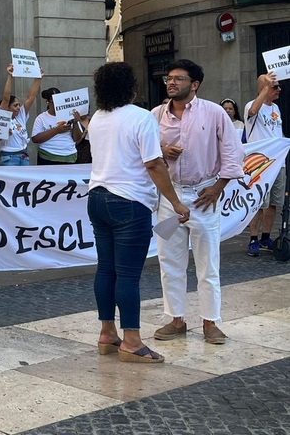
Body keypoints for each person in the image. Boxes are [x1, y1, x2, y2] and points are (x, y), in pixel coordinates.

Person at [88, 62, 190, 363]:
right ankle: (131, 341)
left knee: (106, 269)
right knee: (128, 275)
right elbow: (154, 164)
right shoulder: (141, 117)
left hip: (97, 197)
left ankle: (107, 333)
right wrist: (176, 203)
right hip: (130, 202)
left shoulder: (97, 118)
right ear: (130, 87)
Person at [152, 59, 245, 345]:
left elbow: (233, 152)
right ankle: (175, 319)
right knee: (169, 261)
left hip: (203, 195)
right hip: (169, 197)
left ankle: (210, 322)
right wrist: (162, 149)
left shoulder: (214, 113)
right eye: (169, 78)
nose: (171, 82)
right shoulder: (156, 115)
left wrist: (218, 187)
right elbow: (143, 151)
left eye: (178, 78)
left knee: (208, 263)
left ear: (195, 84)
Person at [243, 72, 285, 256]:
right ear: (263, 88)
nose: (279, 89)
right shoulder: (251, 106)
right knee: (258, 202)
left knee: (274, 202)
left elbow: (277, 132)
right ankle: (253, 238)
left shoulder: (276, 108)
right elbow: (253, 112)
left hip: (278, 162)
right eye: (275, 87)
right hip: (260, 163)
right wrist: (266, 87)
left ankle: (266, 237)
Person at [0, 64, 42, 166]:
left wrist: (38, 79)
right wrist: (9, 76)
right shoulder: (3, 116)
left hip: (24, 155)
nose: (18, 107)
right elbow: (6, 98)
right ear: (7, 107)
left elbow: (31, 98)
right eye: (15, 105)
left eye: (19, 105)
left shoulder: (20, 116)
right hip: (9, 157)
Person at [31, 87, 81, 164]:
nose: (56, 104)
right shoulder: (41, 118)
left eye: (59, 101)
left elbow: (77, 138)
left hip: (69, 155)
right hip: (48, 155)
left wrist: (75, 123)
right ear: (47, 102)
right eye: (53, 102)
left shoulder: (70, 115)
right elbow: (35, 139)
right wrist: (57, 130)